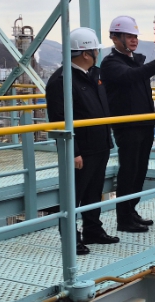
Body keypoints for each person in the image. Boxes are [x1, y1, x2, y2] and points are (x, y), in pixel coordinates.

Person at [46, 27, 119, 255]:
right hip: (81, 149)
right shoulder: (61, 81)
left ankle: (93, 230)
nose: (98, 53)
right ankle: (70, 238)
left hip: (100, 144)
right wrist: (73, 151)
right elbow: (59, 119)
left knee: (93, 191)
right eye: (95, 50)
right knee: (74, 194)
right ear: (86, 53)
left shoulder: (94, 74)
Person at [100, 16, 155, 232]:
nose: (134, 40)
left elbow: (139, 81)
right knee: (129, 171)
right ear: (115, 38)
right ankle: (124, 219)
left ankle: (131, 210)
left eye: (135, 36)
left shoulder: (136, 61)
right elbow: (131, 76)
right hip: (127, 126)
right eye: (129, 36)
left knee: (140, 170)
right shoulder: (111, 63)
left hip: (144, 124)